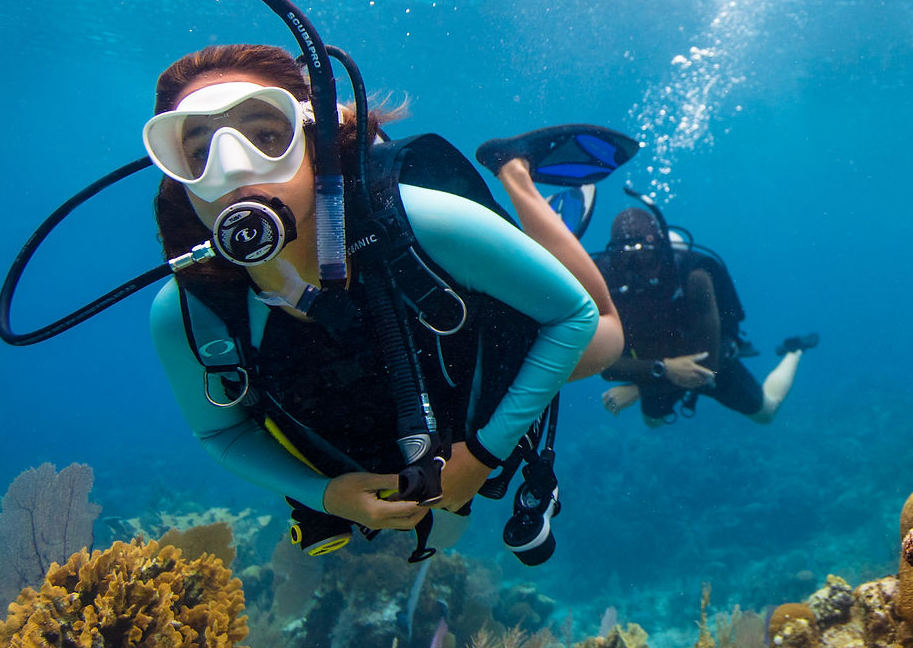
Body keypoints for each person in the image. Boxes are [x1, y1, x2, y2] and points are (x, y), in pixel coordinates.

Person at [144, 47, 629, 553]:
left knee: (608, 336)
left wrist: (484, 453)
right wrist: (325, 495)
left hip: (486, 351)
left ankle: (516, 174)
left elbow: (573, 315)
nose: (232, 170)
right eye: (199, 153)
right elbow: (220, 433)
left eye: (267, 137)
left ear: (315, 144)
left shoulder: (424, 220)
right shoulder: (189, 313)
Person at [585, 204, 818, 427]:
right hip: (659, 367)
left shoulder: (693, 276)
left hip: (710, 360)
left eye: (644, 255)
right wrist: (664, 368)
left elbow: (708, 366)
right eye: (624, 258)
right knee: (652, 422)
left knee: (767, 412)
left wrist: (640, 389)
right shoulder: (605, 281)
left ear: (660, 247)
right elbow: (604, 364)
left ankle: (794, 350)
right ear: (613, 256)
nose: (637, 267)